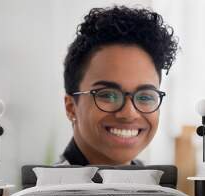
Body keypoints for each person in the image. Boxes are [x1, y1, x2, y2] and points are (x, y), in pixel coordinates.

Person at [56, 5, 178, 166]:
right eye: (108, 95)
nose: (129, 113)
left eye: (145, 96)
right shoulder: (49, 191)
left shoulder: (156, 186)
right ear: (71, 107)